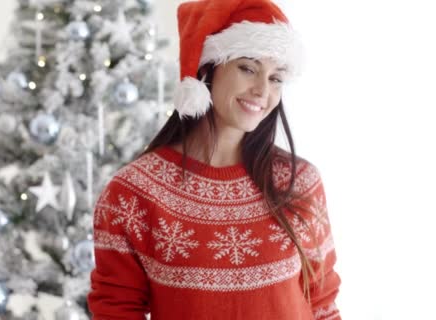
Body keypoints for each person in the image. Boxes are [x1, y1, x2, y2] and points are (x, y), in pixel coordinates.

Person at [87, 0, 342, 319]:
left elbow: (322, 302)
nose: (262, 90)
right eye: (248, 68)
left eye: (276, 78)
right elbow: (116, 310)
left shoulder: (300, 182)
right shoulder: (133, 194)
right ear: (208, 69)